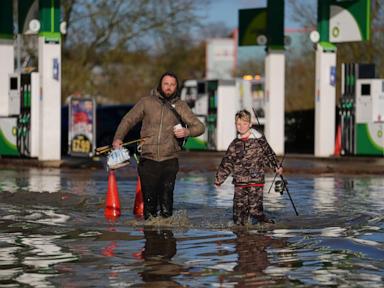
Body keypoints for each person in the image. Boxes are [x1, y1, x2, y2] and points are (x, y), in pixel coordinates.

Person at [112, 71, 205, 220]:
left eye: (172, 85)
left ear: (176, 87)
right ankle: (151, 240)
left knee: (167, 204)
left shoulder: (180, 106)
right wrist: (118, 138)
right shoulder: (146, 102)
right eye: (166, 84)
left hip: (170, 160)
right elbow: (128, 120)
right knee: (149, 206)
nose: (169, 87)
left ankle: (167, 240)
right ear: (160, 85)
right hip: (148, 160)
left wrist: (187, 131)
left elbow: (200, 127)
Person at [214, 109, 282, 225]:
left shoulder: (259, 141)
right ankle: (241, 237)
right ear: (235, 125)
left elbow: (269, 155)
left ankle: (267, 227)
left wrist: (276, 166)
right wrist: (219, 179)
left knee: (255, 211)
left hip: (256, 181)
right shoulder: (235, 144)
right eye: (238, 124)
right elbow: (227, 162)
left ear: (250, 124)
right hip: (240, 183)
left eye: (244, 123)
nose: (241, 126)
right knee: (238, 214)